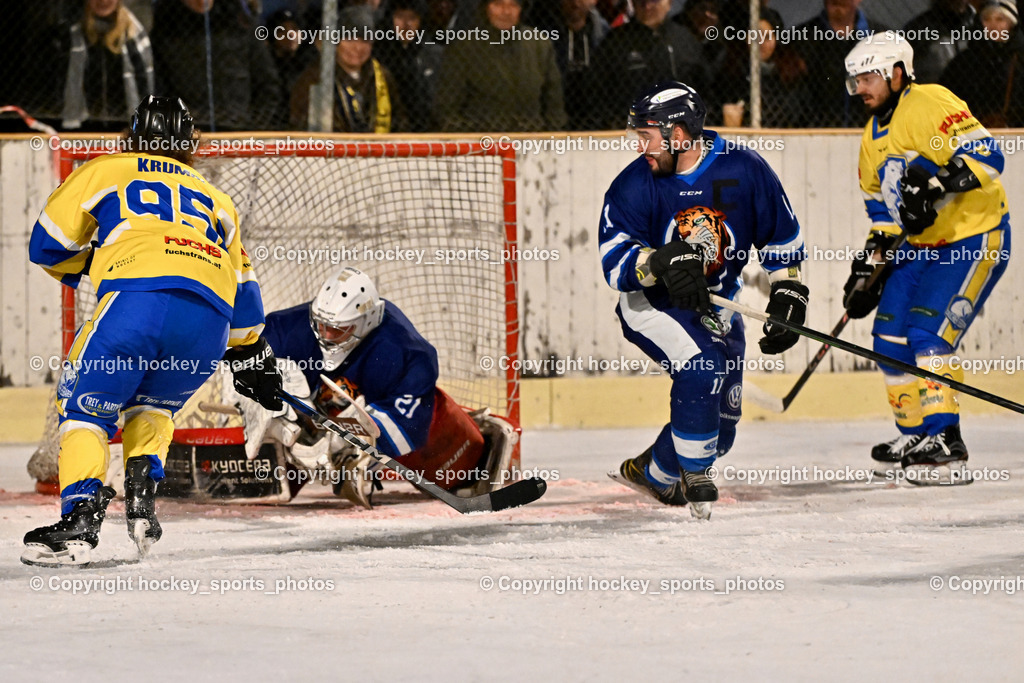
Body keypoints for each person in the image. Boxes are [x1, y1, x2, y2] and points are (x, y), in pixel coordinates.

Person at [22, 96, 283, 567]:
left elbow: (47, 245)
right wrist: (250, 354)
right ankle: (142, 502)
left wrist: (98, 261)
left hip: (135, 304)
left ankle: (80, 519)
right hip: (209, 319)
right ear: (189, 143)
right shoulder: (216, 197)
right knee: (155, 403)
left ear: (133, 134)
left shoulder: (107, 170)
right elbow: (245, 302)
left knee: (84, 408)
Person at [601, 81, 808, 519]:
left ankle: (652, 474)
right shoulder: (633, 185)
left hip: (718, 308)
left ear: (678, 135)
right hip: (651, 304)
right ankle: (697, 478)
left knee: (723, 429)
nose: (642, 147)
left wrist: (788, 292)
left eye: (647, 136)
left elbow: (781, 239)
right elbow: (615, 263)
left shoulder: (746, 170)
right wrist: (658, 261)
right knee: (701, 369)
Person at [843, 33, 1010, 484]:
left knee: (926, 333)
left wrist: (937, 184)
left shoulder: (931, 101)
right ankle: (914, 433)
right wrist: (871, 263)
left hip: (972, 239)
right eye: (856, 80)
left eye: (869, 77)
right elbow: (882, 211)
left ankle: (945, 440)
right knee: (888, 338)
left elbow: (989, 156)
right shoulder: (871, 138)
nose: (861, 88)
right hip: (919, 248)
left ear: (898, 73)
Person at [258, 267, 518, 508]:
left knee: (456, 464)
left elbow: (408, 426)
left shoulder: (404, 351)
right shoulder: (289, 329)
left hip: (434, 443)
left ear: (366, 321)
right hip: (325, 415)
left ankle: (473, 462)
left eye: (337, 330)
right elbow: (249, 359)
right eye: (321, 326)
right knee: (271, 432)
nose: (325, 336)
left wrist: (351, 450)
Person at [433, 0, 567, 132]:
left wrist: (551, 135)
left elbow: (554, 99)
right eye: (498, 4)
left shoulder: (539, 45)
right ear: (485, 8)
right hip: (481, 143)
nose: (506, 11)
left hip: (533, 140)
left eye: (513, 5)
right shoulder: (464, 47)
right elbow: (447, 107)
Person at [150, 0, 282, 131]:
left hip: (239, 130)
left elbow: (268, 83)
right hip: (186, 133)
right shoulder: (163, 29)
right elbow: (157, 88)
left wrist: (255, 127)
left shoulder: (241, 24)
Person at [589, 0, 706, 129]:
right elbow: (597, 92)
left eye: (654, 1)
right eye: (641, 2)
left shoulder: (685, 40)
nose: (647, 6)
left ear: (669, 3)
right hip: (628, 130)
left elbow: (703, 86)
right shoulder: (615, 41)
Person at [289, 6, 406, 131]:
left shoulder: (382, 77)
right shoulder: (315, 78)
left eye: (364, 41)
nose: (357, 47)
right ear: (337, 42)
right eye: (350, 39)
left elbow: (399, 121)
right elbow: (302, 125)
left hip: (377, 148)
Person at [60, 0, 155, 131]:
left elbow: (144, 81)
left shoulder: (132, 32)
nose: (103, 1)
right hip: (85, 121)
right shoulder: (74, 32)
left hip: (125, 122)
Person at [941, 1, 1024, 128]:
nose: (993, 25)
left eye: (1000, 19)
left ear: (1012, 24)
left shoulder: (1020, 59)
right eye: (986, 19)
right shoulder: (965, 61)